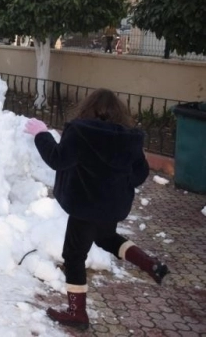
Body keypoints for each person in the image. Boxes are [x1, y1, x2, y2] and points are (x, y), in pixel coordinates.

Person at [24, 89, 169, 330]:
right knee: (105, 237)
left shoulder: (80, 132)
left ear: (87, 107)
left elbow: (58, 159)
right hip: (111, 206)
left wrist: (42, 134)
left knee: (73, 256)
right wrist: (119, 182)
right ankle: (149, 263)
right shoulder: (130, 139)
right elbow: (140, 173)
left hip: (85, 206)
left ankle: (76, 313)